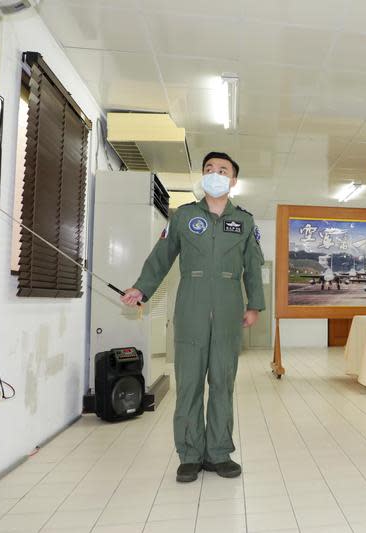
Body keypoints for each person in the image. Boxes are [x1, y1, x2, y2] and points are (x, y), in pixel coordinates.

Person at [121, 152, 265, 483]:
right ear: (203, 177)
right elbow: (162, 256)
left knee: (222, 383)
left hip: (229, 307)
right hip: (191, 306)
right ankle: (189, 454)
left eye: (223, 170)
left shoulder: (244, 221)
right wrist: (141, 289)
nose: (215, 174)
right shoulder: (184, 216)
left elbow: (253, 267)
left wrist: (254, 304)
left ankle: (218, 453)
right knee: (188, 385)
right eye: (209, 169)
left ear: (233, 181)